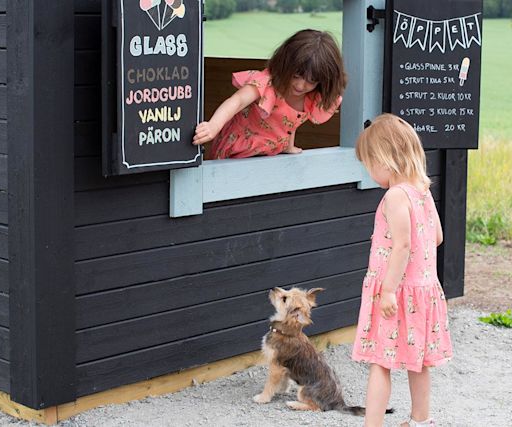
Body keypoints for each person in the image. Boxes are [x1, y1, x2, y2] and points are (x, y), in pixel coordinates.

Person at [351, 114, 453, 427]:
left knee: (380, 362)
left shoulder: (395, 195)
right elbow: (437, 237)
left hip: (394, 293)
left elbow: (402, 245)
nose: (369, 173)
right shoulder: (422, 190)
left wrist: (388, 290)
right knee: (417, 361)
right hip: (422, 291)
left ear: (385, 160)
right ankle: (421, 420)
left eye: (369, 164)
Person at [192, 29, 346, 158]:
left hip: (268, 153)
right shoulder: (267, 84)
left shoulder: (312, 97)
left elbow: (291, 121)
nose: (300, 85)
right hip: (239, 151)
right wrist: (214, 125)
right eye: (295, 76)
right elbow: (237, 101)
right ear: (285, 64)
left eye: (311, 81)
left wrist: (288, 146)